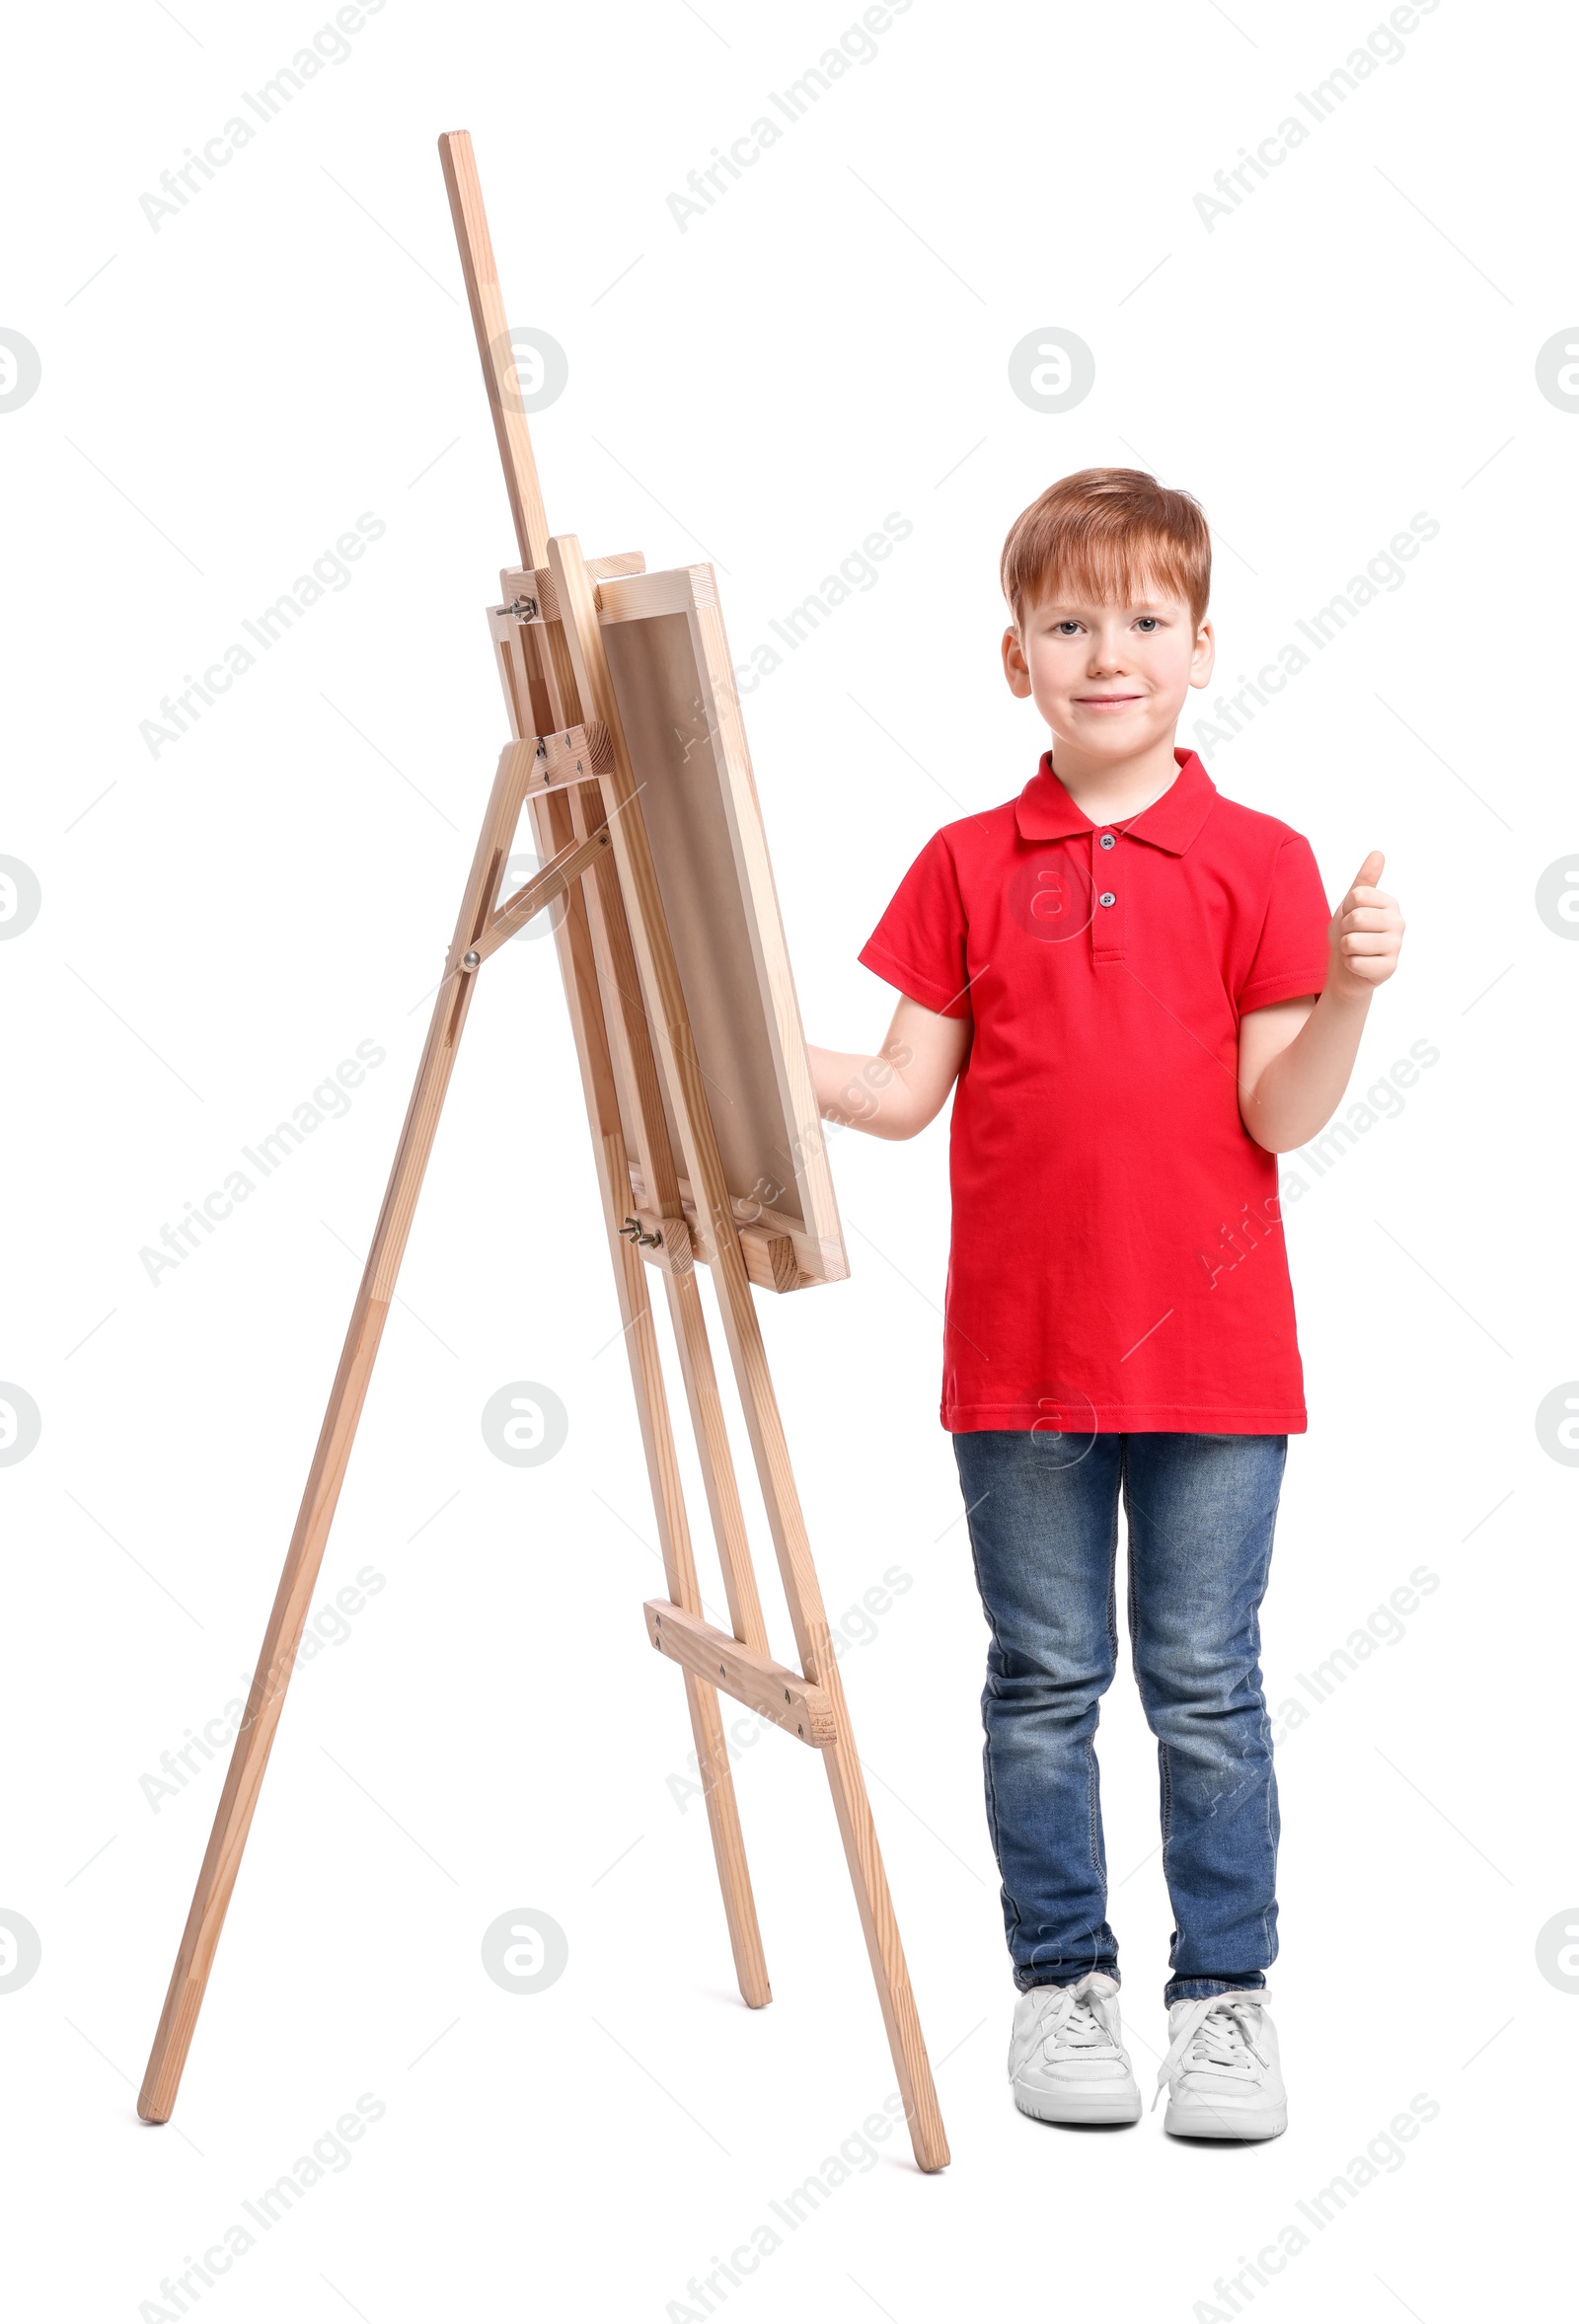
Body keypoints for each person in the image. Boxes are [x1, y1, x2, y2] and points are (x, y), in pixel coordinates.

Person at [807, 468, 1404, 2139]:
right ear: (1016, 658)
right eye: (1069, 622)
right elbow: (902, 1090)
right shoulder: (962, 862)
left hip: (1219, 1358)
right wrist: (735, 1037)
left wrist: (1350, 997)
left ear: (1203, 647)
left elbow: (1279, 1115)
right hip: (1025, 1361)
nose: (1107, 651)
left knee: (1206, 1681)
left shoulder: (1262, 861)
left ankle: (1223, 2000)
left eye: (1144, 620)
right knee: (1042, 1680)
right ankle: (1062, 1981)